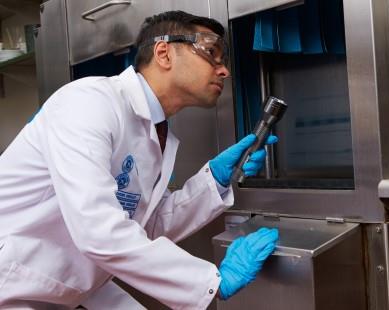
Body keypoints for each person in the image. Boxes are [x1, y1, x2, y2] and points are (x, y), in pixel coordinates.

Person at [0, 10, 279, 309]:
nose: (224, 71)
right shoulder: (88, 102)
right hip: (13, 283)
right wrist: (212, 282)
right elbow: (99, 230)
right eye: (212, 53)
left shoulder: (154, 129)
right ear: (164, 53)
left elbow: (147, 224)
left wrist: (213, 180)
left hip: (62, 287)